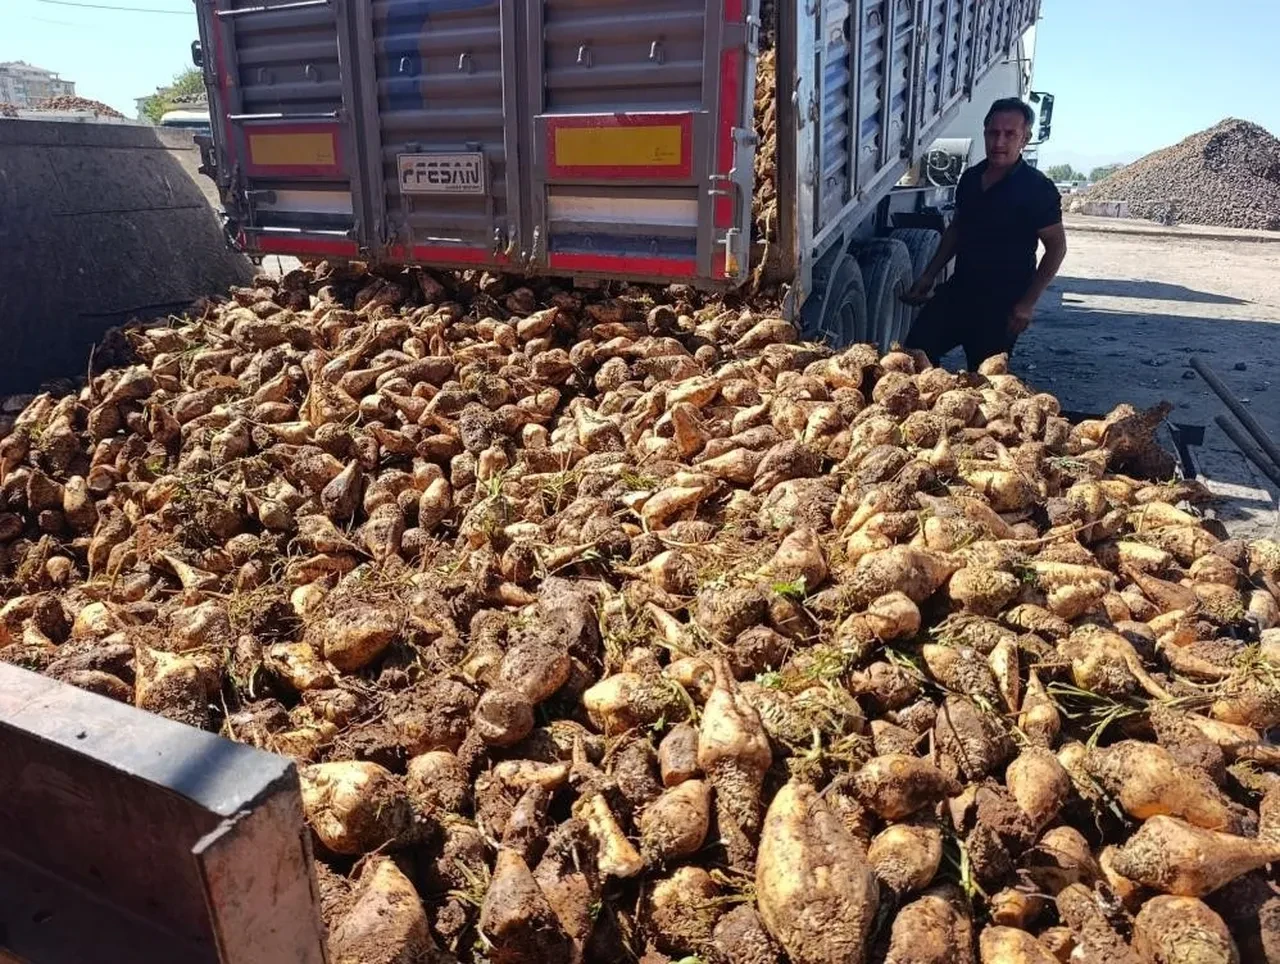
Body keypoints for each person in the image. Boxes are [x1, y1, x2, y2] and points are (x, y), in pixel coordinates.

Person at [902, 97, 1067, 369]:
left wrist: (1027, 303)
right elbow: (957, 229)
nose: (999, 142)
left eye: (1009, 134)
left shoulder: (1038, 189)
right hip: (961, 289)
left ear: (1025, 139)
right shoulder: (971, 178)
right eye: (993, 133)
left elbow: (1056, 248)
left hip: (1003, 304)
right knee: (915, 354)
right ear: (985, 132)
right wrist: (929, 275)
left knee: (985, 380)